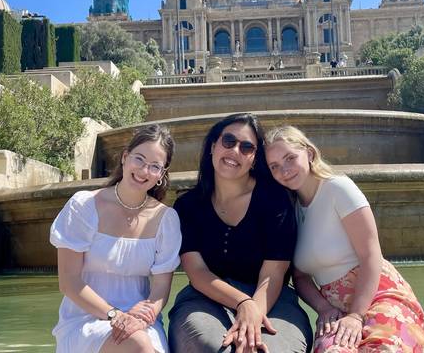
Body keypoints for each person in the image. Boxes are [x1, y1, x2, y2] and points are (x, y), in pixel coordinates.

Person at [265, 126, 424, 353]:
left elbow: (371, 255)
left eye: (290, 158)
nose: (284, 170)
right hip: (336, 310)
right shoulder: (290, 209)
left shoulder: (338, 188)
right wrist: (323, 308)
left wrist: (356, 314)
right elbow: (300, 275)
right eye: (274, 166)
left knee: (382, 348)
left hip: (379, 296)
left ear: (310, 154)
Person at [168, 114, 313, 353]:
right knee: (209, 346)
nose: (235, 150)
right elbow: (197, 271)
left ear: (255, 159)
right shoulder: (188, 206)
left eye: (247, 147)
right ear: (213, 146)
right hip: (205, 297)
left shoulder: (275, 200)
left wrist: (253, 314)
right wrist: (242, 302)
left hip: (271, 300)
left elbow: (273, 272)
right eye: (228, 141)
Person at [50, 125, 182, 353]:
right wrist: (115, 315)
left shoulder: (166, 219)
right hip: (86, 317)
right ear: (124, 157)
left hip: (141, 321)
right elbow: (69, 282)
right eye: (139, 159)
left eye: (154, 166)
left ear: (161, 174)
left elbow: (161, 288)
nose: (144, 171)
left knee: (143, 342)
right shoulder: (83, 206)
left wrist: (146, 314)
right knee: (139, 344)